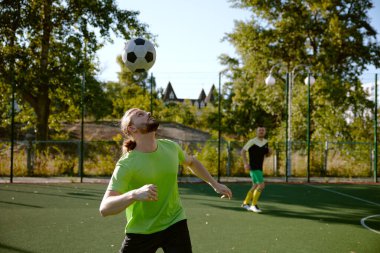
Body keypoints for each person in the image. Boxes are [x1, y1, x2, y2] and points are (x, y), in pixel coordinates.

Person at [99, 108, 232, 253]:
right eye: (140, 115)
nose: (148, 113)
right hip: (142, 231)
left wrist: (214, 184)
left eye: (146, 112)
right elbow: (105, 208)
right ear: (132, 128)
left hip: (175, 222)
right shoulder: (126, 164)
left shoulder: (170, 147)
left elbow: (192, 162)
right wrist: (134, 194)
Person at [240, 126, 271, 213]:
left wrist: (270, 152)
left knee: (255, 186)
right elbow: (242, 151)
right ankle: (253, 205)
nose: (261, 131)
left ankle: (245, 203)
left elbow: (266, 155)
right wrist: (246, 164)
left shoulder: (265, 142)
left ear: (265, 132)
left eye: (263, 130)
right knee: (261, 185)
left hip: (259, 167)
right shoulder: (252, 141)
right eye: (259, 130)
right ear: (256, 132)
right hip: (253, 167)